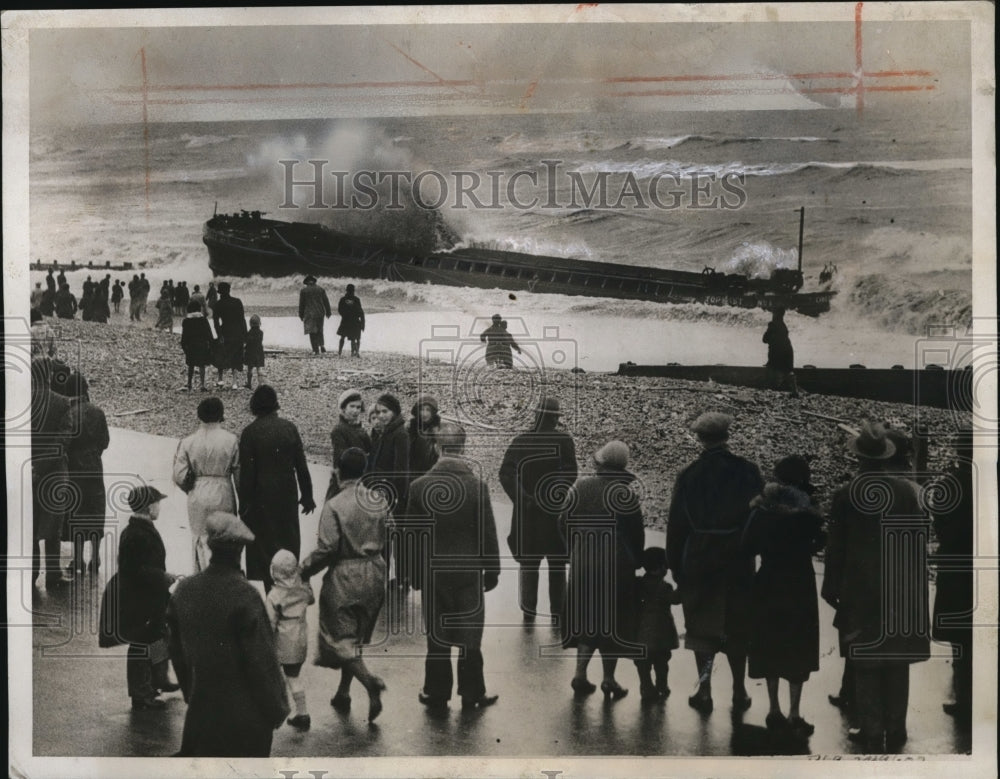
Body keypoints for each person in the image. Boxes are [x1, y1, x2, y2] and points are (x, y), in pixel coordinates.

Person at [821, 421, 930, 754]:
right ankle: (896, 728)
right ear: (887, 456)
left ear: (859, 458)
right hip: (900, 586)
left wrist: (830, 586)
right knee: (896, 661)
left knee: (866, 660)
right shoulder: (906, 492)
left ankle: (871, 730)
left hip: (859, 589)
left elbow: (835, 546)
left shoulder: (846, 495)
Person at [166, 511, 290, 756]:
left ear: (210, 545)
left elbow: (175, 650)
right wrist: (277, 709)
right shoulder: (246, 596)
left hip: (202, 717)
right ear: (240, 551)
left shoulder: (184, 590)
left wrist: (192, 692)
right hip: (245, 722)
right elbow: (262, 662)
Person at [666, 412, 764, 715]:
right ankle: (739, 689)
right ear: (727, 435)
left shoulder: (689, 474)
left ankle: (705, 689)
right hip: (737, 555)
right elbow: (758, 517)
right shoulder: (748, 471)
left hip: (699, 554)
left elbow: (677, 525)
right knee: (737, 623)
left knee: (701, 624)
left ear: (699, 438)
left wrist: (676, 567)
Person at [406, 421, 501, 710]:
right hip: (468, 571)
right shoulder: (477, 487)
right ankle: (472, 692)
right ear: (464, 447)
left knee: (438, 633)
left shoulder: (419, 487)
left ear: (437, 447)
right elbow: (487, 532)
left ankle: (436, 692)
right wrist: (492, 569)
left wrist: (414, 574)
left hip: (434, 572)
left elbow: (412, 536)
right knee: (470, 633)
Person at [301, 448, 389, 722]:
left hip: (345, 575)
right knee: (357, 636)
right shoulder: (379, 499)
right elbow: (392, 530)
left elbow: (328, 548)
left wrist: (304, 569)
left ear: (338, 471)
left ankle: (369, 682)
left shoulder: (335, 505)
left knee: (339, 637)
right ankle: (343, 692)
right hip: (375, 571)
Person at [742, 454, 825, 738]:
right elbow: (819, 541)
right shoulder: (808, 512)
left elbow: (747, 544)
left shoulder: (763, 509)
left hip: (768, 581)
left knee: (770, 642)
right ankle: (795, 713)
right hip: (799, 582)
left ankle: (774, 709)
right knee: (797, 645)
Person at [560, 440, 644, 701]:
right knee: (612, 621)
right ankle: (609, 679)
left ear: (600, 462)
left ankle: (580, 674)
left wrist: (573, 549)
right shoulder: (625, 494)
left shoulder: (581, 486)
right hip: (616, 567)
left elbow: (562, 521)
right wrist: (635, 559)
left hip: (583, 563)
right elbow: (636, 535)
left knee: (587, 619)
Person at [101, 485, 181, 709]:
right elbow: (133, 569)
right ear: (148, 506)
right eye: (158, 503)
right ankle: (141, 693)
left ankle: (158, 679)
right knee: (141, 643)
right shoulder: (137, 534)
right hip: (140, 599)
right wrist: (163, 576)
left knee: (158, 635)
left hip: (149, 596)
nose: (160, 508)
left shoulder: (140, 529)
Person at [499, 396, 577, 623]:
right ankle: (558, 614)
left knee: (529, 565)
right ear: (555, 418)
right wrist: (551, 494)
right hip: (555, 514)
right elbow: (571, 472)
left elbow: (506, 473)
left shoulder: (522, 440)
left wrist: (524, 498)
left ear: (536, 415)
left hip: (527, 515)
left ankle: (528, 612)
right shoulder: (564, 441)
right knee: (557, 566)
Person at [238, 385, 316, 592]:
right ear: (275, 404)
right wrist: (308, 496)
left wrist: (243, 506)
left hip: (260, 499)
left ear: (254, 405)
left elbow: (247, 475)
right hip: (287, 495)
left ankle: (271, 594)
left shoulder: (249, 433)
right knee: (287, 541)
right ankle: (287, 588)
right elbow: (301, 466)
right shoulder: (289, 428)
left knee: (264, 550)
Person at [932, 428, 973, 727]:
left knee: (961, 637)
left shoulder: (949, 484)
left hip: (956, 565)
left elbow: (940, 523)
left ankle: (964, 698)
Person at [172, 397, 240, 572]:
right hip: (223, 490)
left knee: (200, 539)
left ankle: (200, 578)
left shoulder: (187, 442)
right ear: (221, 415)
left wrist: (191, 488)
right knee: (223, 540)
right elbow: (238, 474)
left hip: (198, 491)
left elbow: (179, 476)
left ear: (199, 415)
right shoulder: (231, 440)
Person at [30, 357, 73, 593]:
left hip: (25, 472)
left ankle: (32, 573)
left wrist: (31, 466)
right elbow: (63, 441)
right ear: (48, 376)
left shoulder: (17, 403)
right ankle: (53, 575)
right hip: (54, 474)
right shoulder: (61, 403)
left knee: (30, 526)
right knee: (53, 527)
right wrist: (42, 466)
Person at [64, 373, 110, 575]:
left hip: (74, 467)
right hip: (94, 466)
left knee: (77, 511)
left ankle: (78, 559)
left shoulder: (69, 413)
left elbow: (65, 442)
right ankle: (95, 557)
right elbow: (105, 442)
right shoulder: (98, 412)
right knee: (95, 510)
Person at [265, 549, 316, 730]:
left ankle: (273, 711)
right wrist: (307, 583)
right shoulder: (302, 588)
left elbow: (270, 622)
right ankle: (302, 712)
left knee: (274, 676)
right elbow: (311, 600)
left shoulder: (274, 595)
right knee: (294, 677)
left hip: (282, 643)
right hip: (300, 640)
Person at [367, 393, 410, 588]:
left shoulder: (399, 434)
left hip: (391, 495)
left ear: (394, 412)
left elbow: (400, 470)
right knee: (384, 536)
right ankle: (385, 576)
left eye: (386, 411)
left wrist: (391, 496)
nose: (382, 415)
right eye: (379, 412)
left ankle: (400, 578)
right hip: (381, 491)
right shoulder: (385, 432)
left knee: (393, 536)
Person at [633, 546, 681, 703]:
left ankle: (646, 686)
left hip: (641, 633)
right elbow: (675, 599)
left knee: (642, 664)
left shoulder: (639, 584)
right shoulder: (665, 587)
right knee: (662, 663)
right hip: (662, 635)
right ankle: (662, 686)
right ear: (662, 568)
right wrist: (682, 584)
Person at [325, 389, 373, 501]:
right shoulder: (339, 430)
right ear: (343, 408)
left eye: (358, 407)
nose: (355, 411)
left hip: (360, 479)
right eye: (352, 406)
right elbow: (340, 459)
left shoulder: (361, 430)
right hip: (343, 481)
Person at [212, 281, 248, 390]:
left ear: (219, 293)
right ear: (229, 290)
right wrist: (245, 334)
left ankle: (220, 379)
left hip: (225, 330)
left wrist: (219, 334)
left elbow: (216, 322)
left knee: (221, 354)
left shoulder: (218, 304)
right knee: (236, 355)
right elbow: (242, 319)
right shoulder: (237, 302)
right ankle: (234, 382)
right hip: (237, 331)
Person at [763, 308, 799, 397]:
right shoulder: (783, 326)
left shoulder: (772, 324)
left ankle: (770, 387)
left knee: (772, 367)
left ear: (775, 314)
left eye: (773, 313)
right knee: (788, 370)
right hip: (788, 350)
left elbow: (764, 339)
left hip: (777, 351)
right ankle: (794, 391)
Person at [180, 300, 214, 392]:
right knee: (202, 365)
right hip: (202, 345)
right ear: (199, 309)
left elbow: (184, 336)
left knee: (191, 365)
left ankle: (189, 383)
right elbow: (209, 334)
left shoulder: (186, 321)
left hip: (191, 346)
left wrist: (184, 347)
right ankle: (202, 385)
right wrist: (211, 345)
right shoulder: (203, 320)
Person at [407, 394, 441, 482]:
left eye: (428, 410)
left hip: (430, 469)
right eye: (422, 409)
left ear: (433, 412)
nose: (424, 414)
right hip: (411, 468)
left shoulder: (437, 429)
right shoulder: (410, 427)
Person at [298, 275, 332, 355]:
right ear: (314, 281)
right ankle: (322, 346)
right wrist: (328, 312)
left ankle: (315, 349)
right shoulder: (320, 289)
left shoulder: (304, 291)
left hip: (309, 313)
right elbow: (326, 301)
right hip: (320, 312)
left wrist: (300, 314)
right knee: (320, 330)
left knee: (312, 331)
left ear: (306, 282)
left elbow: (302, 304)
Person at [336, 283, 365, 357]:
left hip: (345, 320)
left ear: (347, 291)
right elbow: (360, 311)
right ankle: (355, 352)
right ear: (353, 291)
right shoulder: (356, 300)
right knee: (355, 338)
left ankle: (339, 352)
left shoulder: (343, 299)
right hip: (355, 321)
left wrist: (344, 315)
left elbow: (340, 310)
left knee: (342, 337)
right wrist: (362, 323)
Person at [243, 314, 265, 389]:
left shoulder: (249, 333)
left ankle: (249, 384)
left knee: (250, 369)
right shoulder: (261, 333)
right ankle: (260, 384)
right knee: (259, 369)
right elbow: (260, 341)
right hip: (259, 352)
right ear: (259, 323)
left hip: (250, 353)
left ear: (250, 324)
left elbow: (247, 341)